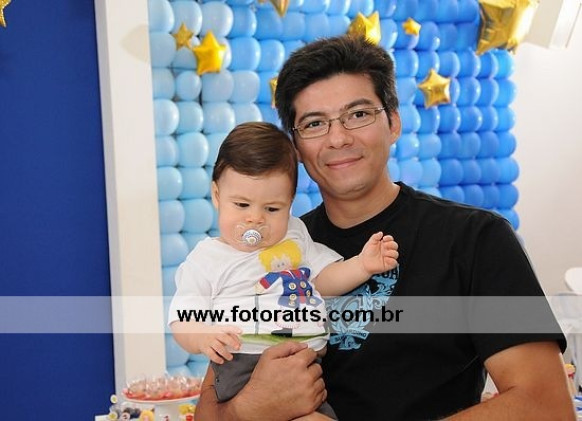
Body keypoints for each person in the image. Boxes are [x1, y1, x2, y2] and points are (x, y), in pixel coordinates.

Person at [195, 36, 575, 420]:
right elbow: (213, 406)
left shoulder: (477, 239)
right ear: (296, 148)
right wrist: (249, 409)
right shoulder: (275, 245)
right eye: (314, 123)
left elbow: (546, 406)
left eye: (358, 114)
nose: (338, 138)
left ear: (393, 123)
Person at [168, 122, 399, 419]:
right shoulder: (208, 259)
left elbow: (322, 280)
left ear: (290, 204)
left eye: (272, 209)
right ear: (216, 195)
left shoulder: (294, 235)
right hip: (245, 364)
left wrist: (362, 265)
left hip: (307, 363)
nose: (255, 219)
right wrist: (203, 336)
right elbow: (182, 317)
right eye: (241, 205)